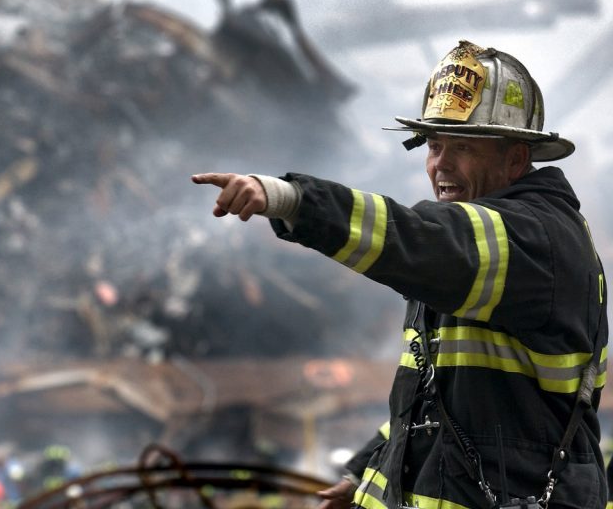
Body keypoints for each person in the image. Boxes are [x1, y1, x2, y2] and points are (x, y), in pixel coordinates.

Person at [192, 40, 608, 509]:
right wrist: (369, 473)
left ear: (515, 159)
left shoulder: (534, 238)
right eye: (434, 146)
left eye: (462, 147)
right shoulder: (481, 253)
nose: (441, 164)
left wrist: (294, 200)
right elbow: (436, 396)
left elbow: (419, 237)